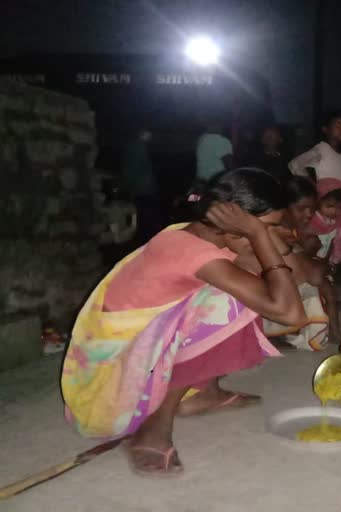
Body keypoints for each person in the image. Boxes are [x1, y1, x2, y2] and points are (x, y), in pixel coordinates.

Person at [61, 169, 306, 476]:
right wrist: (259, 236)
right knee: (227, 302)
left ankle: (203, 393)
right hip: (111, 387)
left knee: (246, 287)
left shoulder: (198, 235)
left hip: (137, 363)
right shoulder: (192, 252)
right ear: (235, 224)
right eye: (266, 227)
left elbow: (290, 272)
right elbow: (290, 312)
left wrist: (270, 239)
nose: (268, 235)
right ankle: (152, 427)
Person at [288, 111, 341, 263]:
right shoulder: (321, 149)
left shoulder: (340, 155)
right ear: (325, 129)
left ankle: (325, 277)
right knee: (317, 249)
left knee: (329, 248)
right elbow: (295, 165)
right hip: (324, 213)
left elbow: (338, 183)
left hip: (337, 211)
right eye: (338, 125)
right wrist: (314, 188)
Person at [276, 176, 341, 343]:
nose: (309, 214)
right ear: (284, 207)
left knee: (325, 283)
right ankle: (293, 332)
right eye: (301, 208)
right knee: (320, 282)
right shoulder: (278, 231)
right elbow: (314, 275)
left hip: (289, 281)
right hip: (274, 291)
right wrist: (326, 265)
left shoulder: (294, 228)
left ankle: (333, 330)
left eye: (312, 209)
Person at [119, 127, 162, 244]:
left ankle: (148, 242)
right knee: (147, 221)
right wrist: (124, 187)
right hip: (143, 190)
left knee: (146, 220)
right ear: (142, 133)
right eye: (149, 133)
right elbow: (131, 170)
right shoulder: (137, 147)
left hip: (145, 189)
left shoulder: (139, 146)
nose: (151, 135)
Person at [308, 178, 341, 263]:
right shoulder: (311, 220)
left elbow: (332, 243)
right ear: (318, 201)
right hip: (311, 261)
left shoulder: (336, 222)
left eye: (340, 208)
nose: (334, 211)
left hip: (326, 259)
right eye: (329, 206)